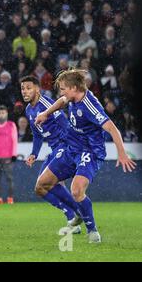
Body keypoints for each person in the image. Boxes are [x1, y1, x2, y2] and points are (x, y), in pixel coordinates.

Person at [35, 69, 137, 243]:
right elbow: (62, 100)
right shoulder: (73, 96)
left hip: (89, 152)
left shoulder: (90, 105)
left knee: (76, 190)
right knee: (41, 185)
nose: (61, 92)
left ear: (74, 88)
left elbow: (112, 128)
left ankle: (93, 231)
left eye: (64, 88)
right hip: (71, 148)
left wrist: (122, 153)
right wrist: (46, 113)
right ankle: (78, 212)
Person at [20, 76, 80, 234]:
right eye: (22, 88)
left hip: (64, 146)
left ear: (37, 89)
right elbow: (38, 135)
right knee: (40, 189)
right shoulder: (28, 110)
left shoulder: (47, 104)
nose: (25, 91)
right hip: (54, 149)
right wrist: (34, 153)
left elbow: (65, 124)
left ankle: (79, 214)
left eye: (28, 88)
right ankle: (73, 217)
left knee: (43, 184)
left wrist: (70, 147)